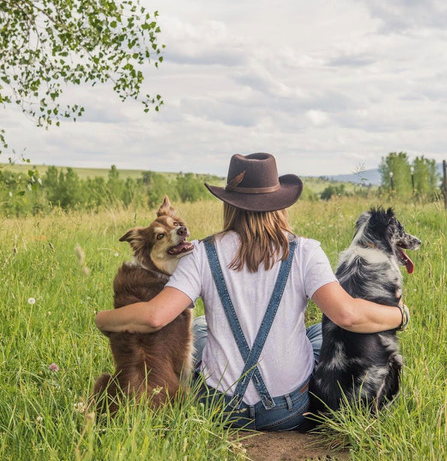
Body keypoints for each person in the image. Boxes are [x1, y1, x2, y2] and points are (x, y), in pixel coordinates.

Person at [95, 152, 408, 431]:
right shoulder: (305, 252)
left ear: (230, 205)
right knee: (319, 332)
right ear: (280, 202)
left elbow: (153, 318)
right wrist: (399, 314)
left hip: (220, 409)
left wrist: (102, 318)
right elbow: (348, 316)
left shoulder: (202, 253)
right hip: (288, 411)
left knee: (202, 328)